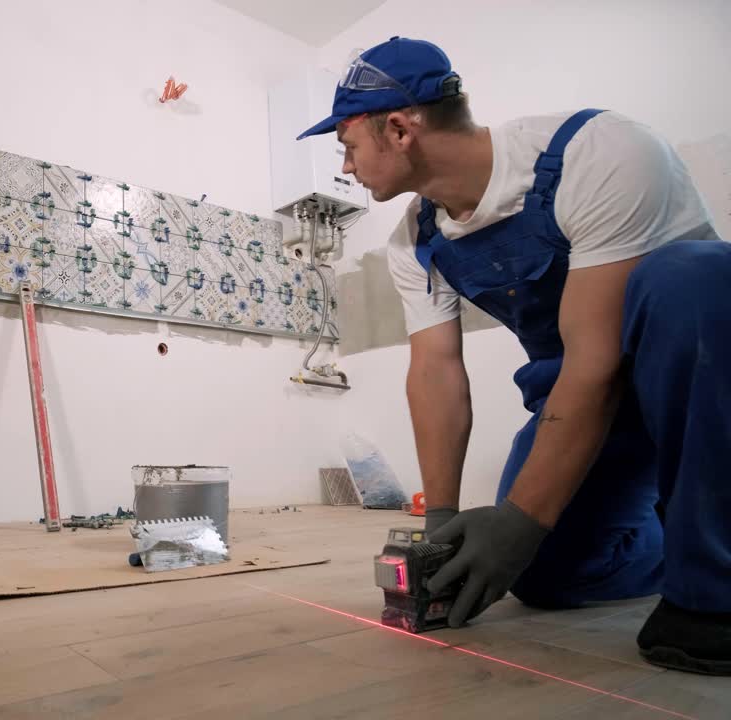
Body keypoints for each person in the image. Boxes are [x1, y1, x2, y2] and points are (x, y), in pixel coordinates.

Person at [296, 36, 730, 675]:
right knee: (545, 576)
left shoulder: (599, 152)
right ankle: (686, 538)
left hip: (695, 383)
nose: (346, 167)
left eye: (348, 146)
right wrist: (441, 521)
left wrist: (522, 519)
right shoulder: (416, 241)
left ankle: (713, 595)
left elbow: (598, 359)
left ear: (398, 128)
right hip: (587, 403)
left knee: (691, 278)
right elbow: (436, 371)